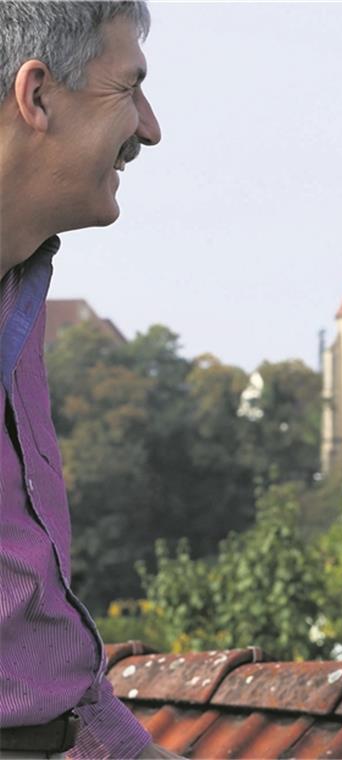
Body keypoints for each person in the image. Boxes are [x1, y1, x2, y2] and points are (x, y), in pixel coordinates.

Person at [0, 3, 177, 758]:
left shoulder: (24, 288)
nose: (149, 127)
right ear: (37, 96)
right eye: (127, 89)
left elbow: (34, 622)